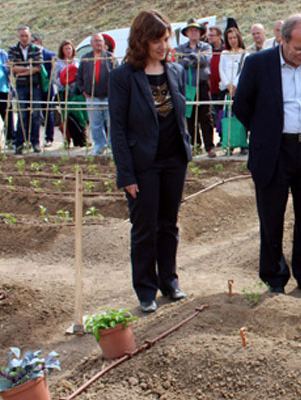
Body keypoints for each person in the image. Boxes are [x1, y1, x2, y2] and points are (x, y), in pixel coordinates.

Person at [233, 14, 301, 300]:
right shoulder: (258, 64)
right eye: (298, 48)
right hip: (274, 151)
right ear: (282, 40)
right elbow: (241, 105)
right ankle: (274, 277)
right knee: (272, 216)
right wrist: (266, 132)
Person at [110, 9, 192, 313]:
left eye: (166, 39)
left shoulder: (176, 71)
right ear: (141, 40)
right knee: (144, 227)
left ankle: (169, 282)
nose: (162, 46)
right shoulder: (122, 77)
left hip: (174, 161)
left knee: (169, 224)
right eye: (156, 40)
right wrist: (126, 174)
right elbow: (117, 128)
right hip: (143, 165)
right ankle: (146, 289)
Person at [176, 18, 216, 157]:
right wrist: (194, 59)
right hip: (187, 85)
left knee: (205, 116)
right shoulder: (181, 48)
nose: (193, 33)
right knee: (190, 116)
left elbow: (205, 60)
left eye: (196, 30)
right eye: (191, 30)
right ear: (187, 33)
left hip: (202, 84)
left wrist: (191, 59)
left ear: (200, 33)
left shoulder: (206, 47)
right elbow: (179, 62)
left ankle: (210, 147)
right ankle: (195, 145)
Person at [78, 33, 117, 155]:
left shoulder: (111, 57)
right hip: (92, 97)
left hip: (108, 96)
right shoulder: (86, 58)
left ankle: (111, 146)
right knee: (95, 123)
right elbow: (79, 76)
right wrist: (83, 90)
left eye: (100, 41)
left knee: (111, 122)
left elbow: (117, 76)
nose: (98, 43)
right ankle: (99, 146)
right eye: (96, 41)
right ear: (91, 43)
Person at [8, 25, 43, 154]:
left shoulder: (36, 49)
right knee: (22, 114)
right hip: (21, 86)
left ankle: (35, 142)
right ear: (18, 36)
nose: (24, 38)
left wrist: (22, 71)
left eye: (26, 36)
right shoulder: (13, 49)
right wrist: (28, 69)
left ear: (30, 37)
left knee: (35, 115)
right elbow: (12, 66)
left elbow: (38, 66)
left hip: (34, 85)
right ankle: (20, 143)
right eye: (22, 35)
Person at [219, 27, 247, 155]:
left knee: (241, 115)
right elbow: (222, 70)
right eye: (230, 38)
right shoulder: (224, 54)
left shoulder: (244, 54)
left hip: (240, 88)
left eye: (234, 37)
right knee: (228, 116)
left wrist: (235, 85)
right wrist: (228, 84)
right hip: (227, 89)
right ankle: (229, 143)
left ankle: (242, 143)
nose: (232, 40)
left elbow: (243, 71)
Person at [31, 33, 57, 148]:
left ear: (38, 41)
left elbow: (54, 70)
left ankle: (49, 138)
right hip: (34, 87)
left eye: (33, 42)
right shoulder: (30, 55)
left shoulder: (49, 55)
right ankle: (34, 140)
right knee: (35, 113)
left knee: (48, 113)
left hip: (47, 87)